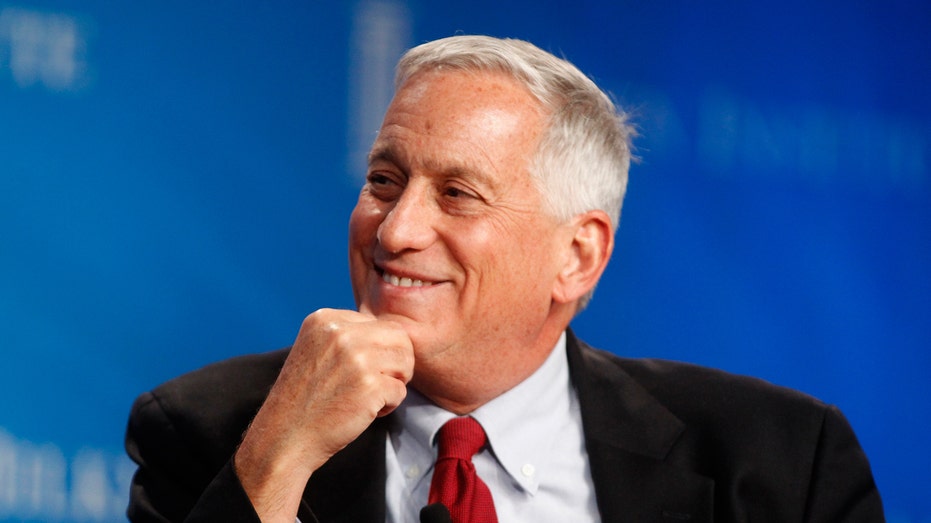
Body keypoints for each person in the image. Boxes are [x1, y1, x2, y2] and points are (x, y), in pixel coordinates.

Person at [125, 35, 884, 522]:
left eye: (457, 194)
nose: (394, 230)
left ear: (577, 255)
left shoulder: (781, 463)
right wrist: (277, 462)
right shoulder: (209, 431)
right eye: (384, 181)